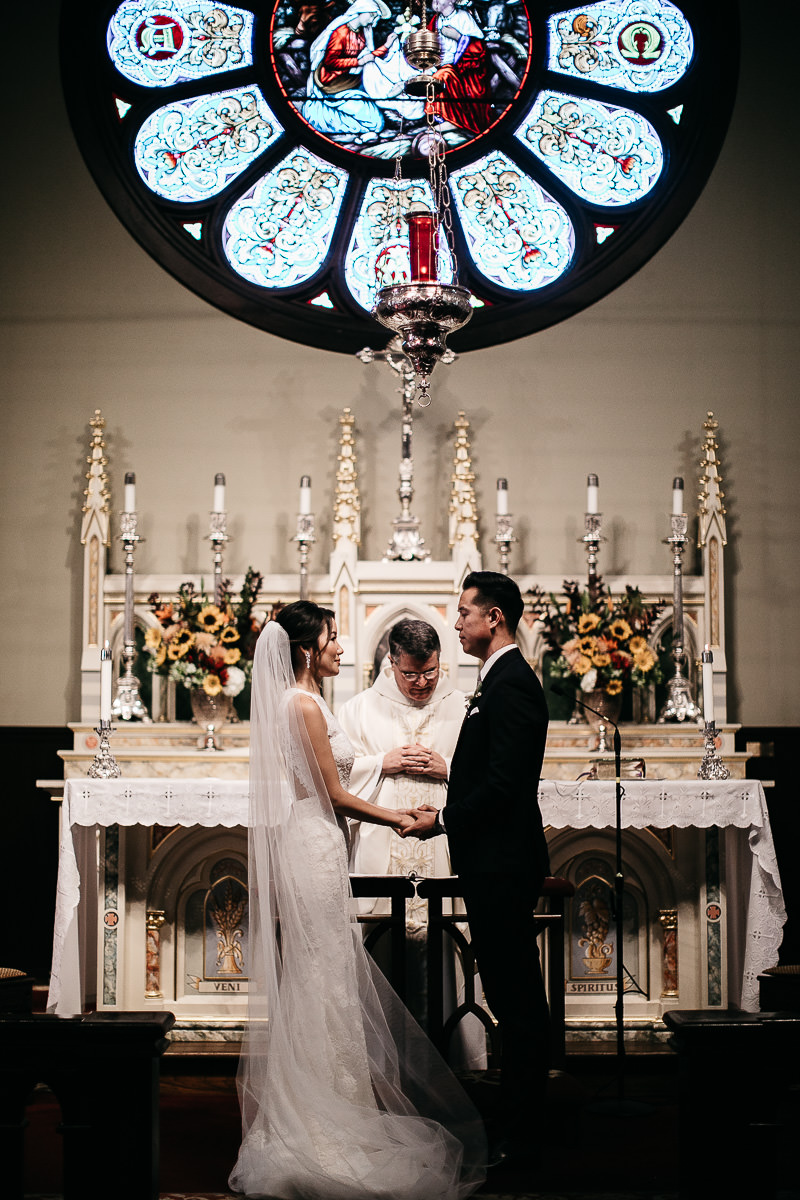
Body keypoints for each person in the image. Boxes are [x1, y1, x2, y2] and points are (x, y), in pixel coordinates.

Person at [229, 601, 485, 1199]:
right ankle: (318, 1119)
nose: (342, 648)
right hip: (317, 839)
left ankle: (336, 1105)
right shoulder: (303, 705)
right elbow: (334, 793)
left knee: (328, 977)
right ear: (306, 650)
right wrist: (399, 817)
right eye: (331, 638)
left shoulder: (310, 701)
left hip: (321, 840)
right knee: (322, 976)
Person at [401, 571, 551, 1167]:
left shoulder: (512, 685)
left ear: (495, 617)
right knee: (510, 990)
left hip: (503, 863)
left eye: (464, 612)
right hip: (493, 861)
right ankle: (518, 1115)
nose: (456, 622)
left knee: (517, 996)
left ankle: (526, 1128)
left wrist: (440, 819)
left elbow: (504, 787)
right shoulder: (497, 680)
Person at [337, 617, 485, 1066]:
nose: (421, 683)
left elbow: (492, 778)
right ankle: (379, 1065)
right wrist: (381, 763)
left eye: (429, 672)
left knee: (449, 946)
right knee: (380, 945)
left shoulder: (465, 707)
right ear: (391, 662)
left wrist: (448, 769)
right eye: (410, 674)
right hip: (381, 850)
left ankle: (456, 1058)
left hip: (446, 849)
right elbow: (335, 777)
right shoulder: (360, 709)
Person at [303, 0, 397, 141]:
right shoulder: (340, 33)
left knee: (377, 122)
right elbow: (330, 62)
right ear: (361, 10)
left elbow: (369, 57)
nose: (372, 21)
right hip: (333, 86)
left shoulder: (362, 33)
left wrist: (387, 46)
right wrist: (358, 62)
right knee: (376, 122)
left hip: (351, 85)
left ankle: (361, 131)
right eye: (372, 15)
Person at [428, 0, 491, 136]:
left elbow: (479, 47)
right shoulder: (435, 20)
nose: (435, 0)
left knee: (442, 76)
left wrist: (457, 36)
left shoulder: (463, 17)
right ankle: (443, 117)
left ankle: (452, 120)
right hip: (438, 65)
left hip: (463, 69)